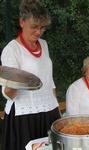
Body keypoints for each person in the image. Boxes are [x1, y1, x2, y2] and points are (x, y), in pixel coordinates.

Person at [1, 0, 61, 150]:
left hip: (49, 111)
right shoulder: (12, 50)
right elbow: (9, 93)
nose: (38, 32)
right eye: (34, 27)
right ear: (22, 22)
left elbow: (49, 80)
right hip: (25, 114)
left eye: (42, 28)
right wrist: (13, 84)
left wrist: (57, 107)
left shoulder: (44, 44)